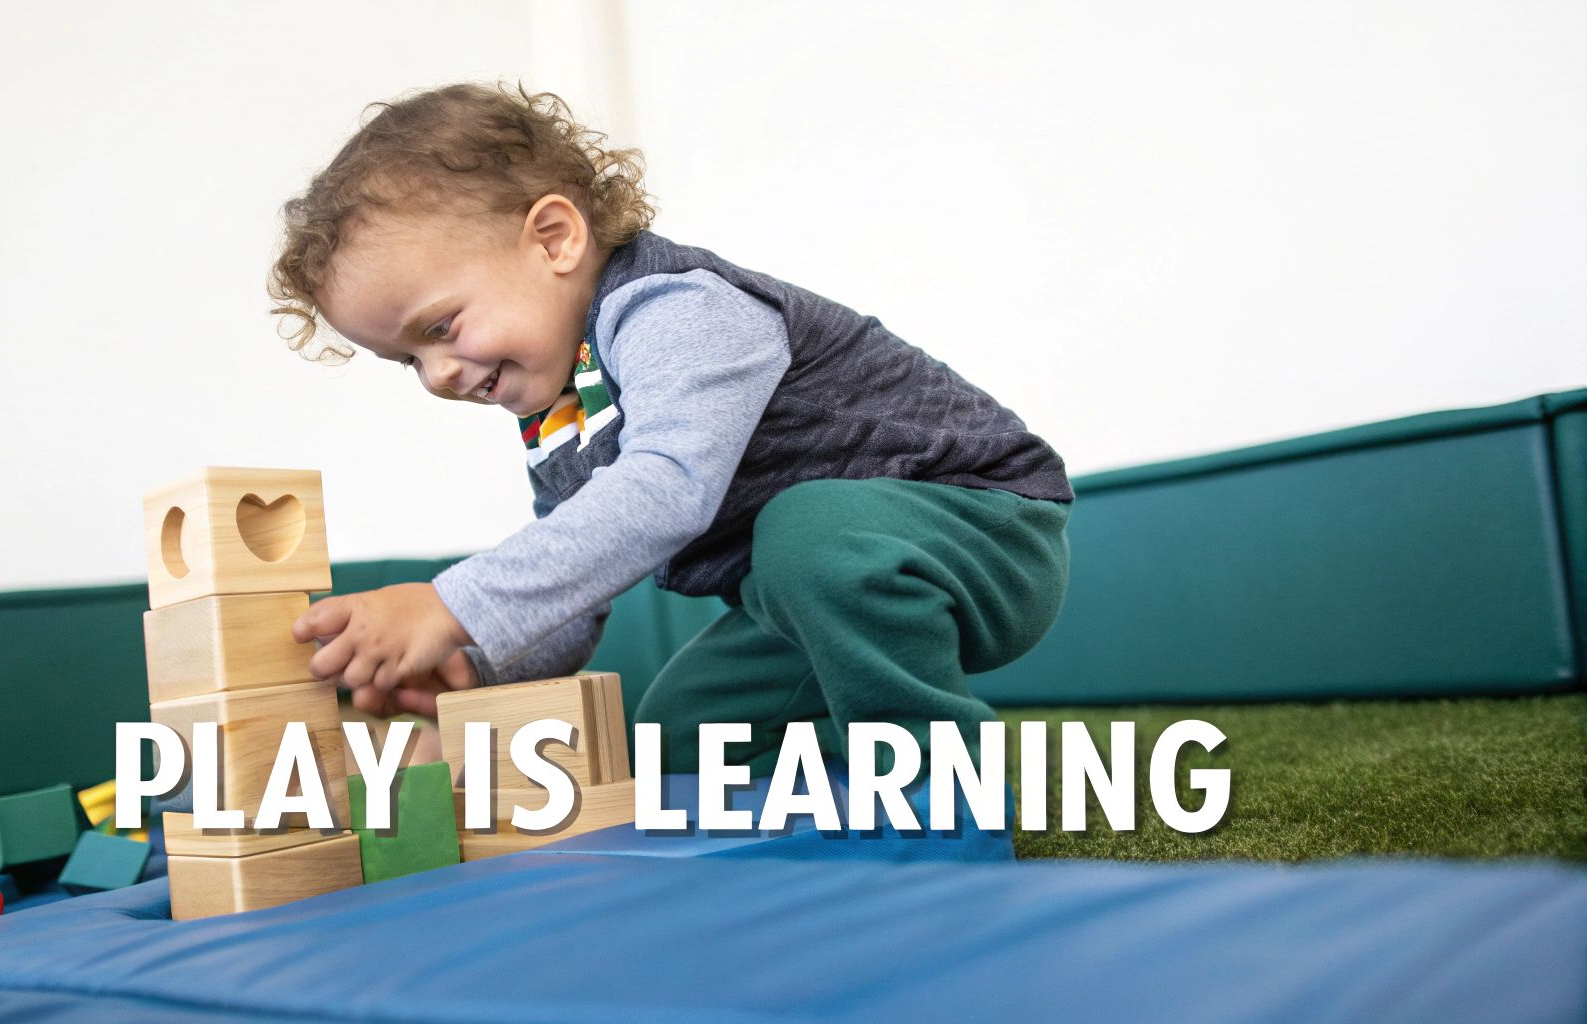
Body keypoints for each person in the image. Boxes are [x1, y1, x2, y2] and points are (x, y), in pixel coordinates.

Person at [268, 81, 1072, 802]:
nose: (438, 374)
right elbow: (578, 579)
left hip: (983, 533)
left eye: (440, 328)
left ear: (554, 239)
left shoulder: (675, 309)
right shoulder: (560, 411)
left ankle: (940, 789)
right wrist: (477, 661)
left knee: (808, 534)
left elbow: (666, 490)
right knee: (680, 742)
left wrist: (450, 604)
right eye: (408, 359)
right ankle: (832, 778)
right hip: (809, 594)